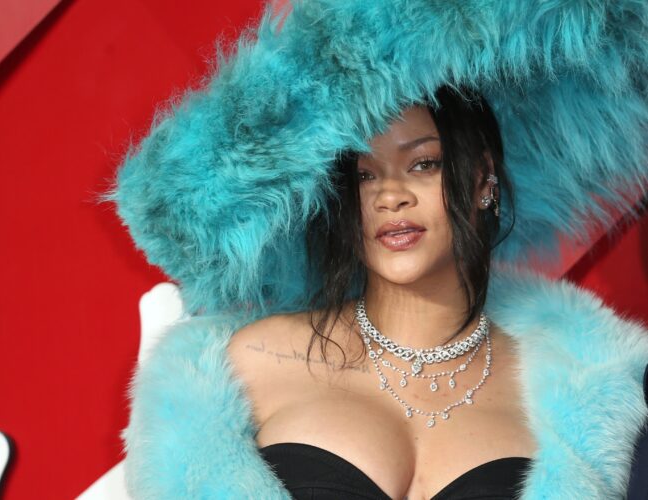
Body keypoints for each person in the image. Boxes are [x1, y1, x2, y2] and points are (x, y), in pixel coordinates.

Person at [109, 0, 648, 498]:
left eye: (423, 164)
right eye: (365, 176)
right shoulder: (243, 367)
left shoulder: (580, 392)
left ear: (483, 178)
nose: (391, 195)